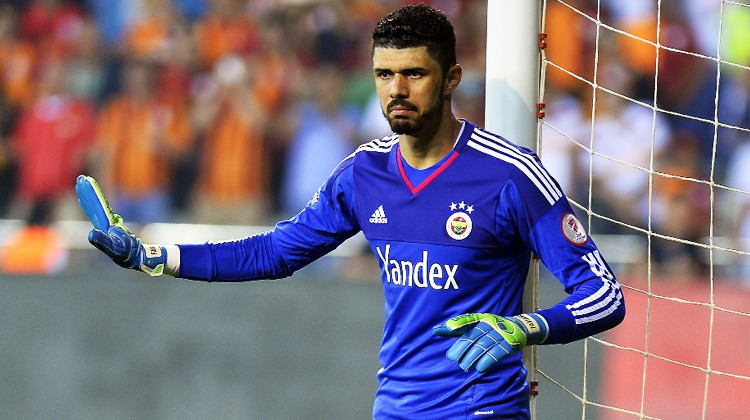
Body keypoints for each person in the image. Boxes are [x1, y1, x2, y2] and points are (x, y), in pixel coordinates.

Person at [79, 4, 625, 419]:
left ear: (452, 79)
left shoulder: (510, 175)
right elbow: (275, 251)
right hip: (395, 408)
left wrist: (527, 326)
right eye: (384, 75)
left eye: (414, 74)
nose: (396, 90)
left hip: (480, 410)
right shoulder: (365, 173)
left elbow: (604, 295)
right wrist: (155, 257)